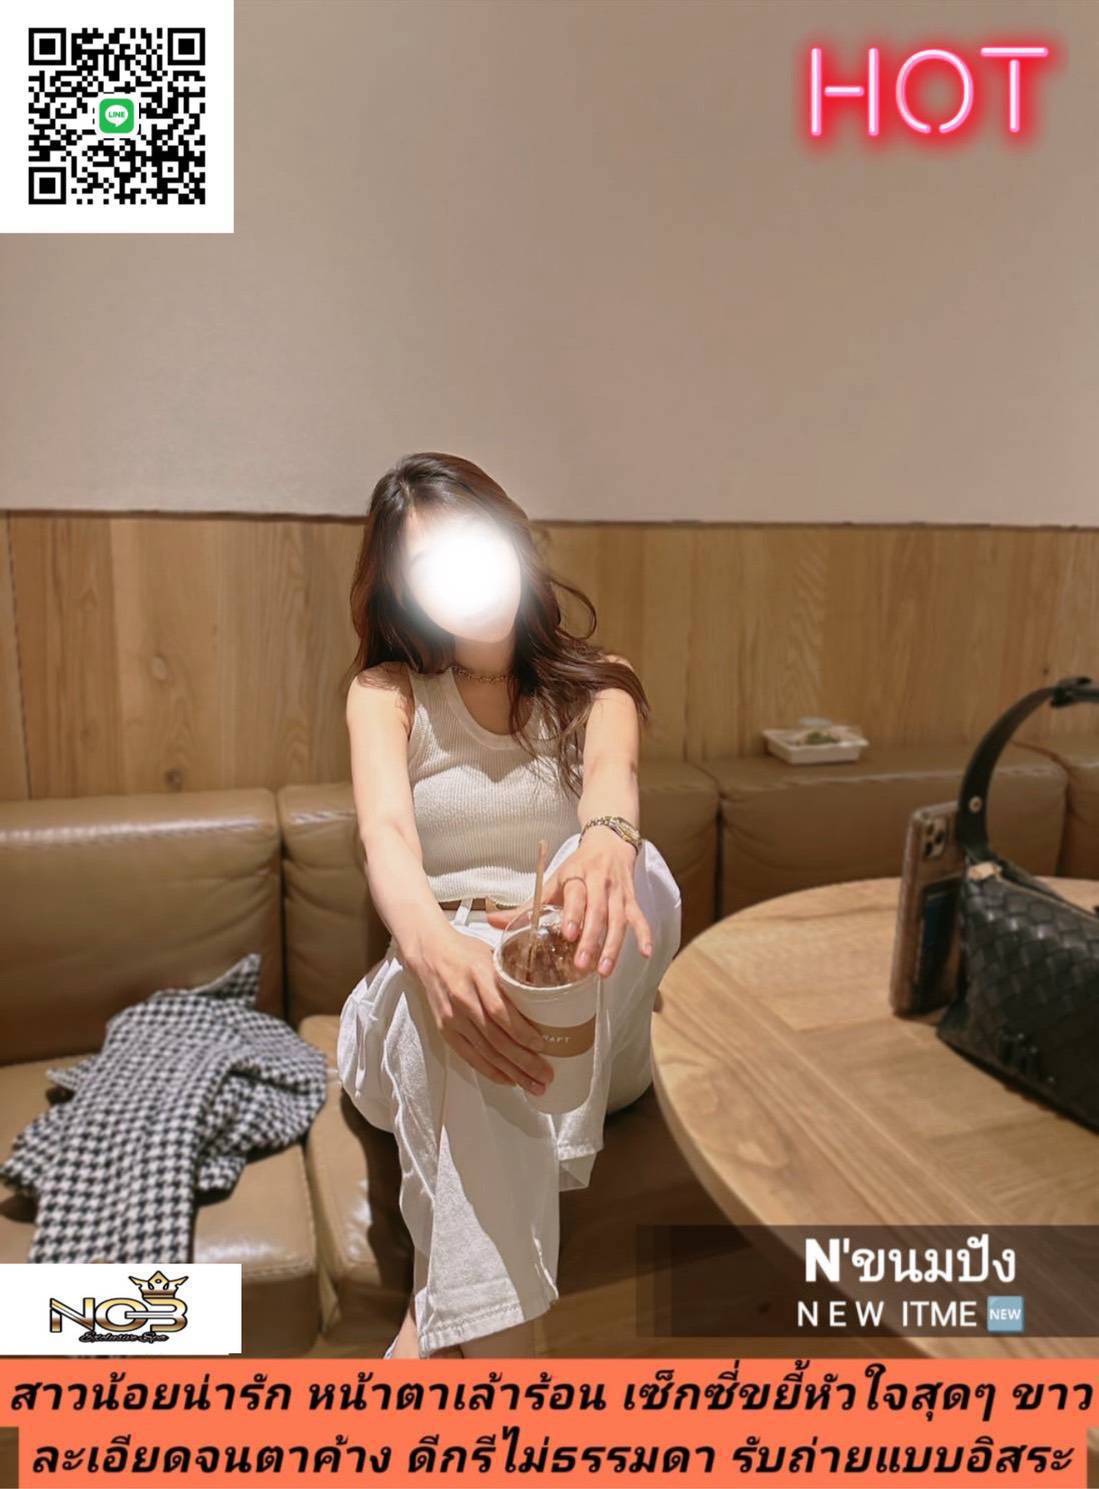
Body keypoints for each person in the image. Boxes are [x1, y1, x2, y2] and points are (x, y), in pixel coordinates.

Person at [336, 452, 682, 1358]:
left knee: (633, 869)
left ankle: (434, 1328)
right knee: (453, 992)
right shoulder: (387, 694)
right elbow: (386, 836)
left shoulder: (597, 683)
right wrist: (430, 947)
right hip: (428, 1002)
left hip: (581, 1014)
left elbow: (612, 780)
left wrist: (605, 839)